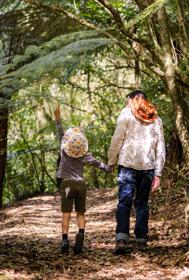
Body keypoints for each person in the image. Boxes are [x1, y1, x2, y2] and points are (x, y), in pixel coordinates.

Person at [108, 90, 166, 254]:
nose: (128, 104)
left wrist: (111, 160)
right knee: (142, 203)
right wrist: (158, 172)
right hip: (148, 166)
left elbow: (117, 137)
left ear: (134, 99)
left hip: (127, 164)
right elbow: (160, 146)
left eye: (128, 101)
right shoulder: (156, 118)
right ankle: (141, 240)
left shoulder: (126, 113)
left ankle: (121, 240)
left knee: (124, 202)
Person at [54, 106, 112, 254]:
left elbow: (61, 132)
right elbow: (99, 164)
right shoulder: (85, 154)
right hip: (81, 185)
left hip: (66, 184)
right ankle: (80, 233)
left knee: (66, 214)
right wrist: (109, 167)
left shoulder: (64, 148)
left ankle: (65, 239)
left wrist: (58, 118)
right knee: (80, 213)